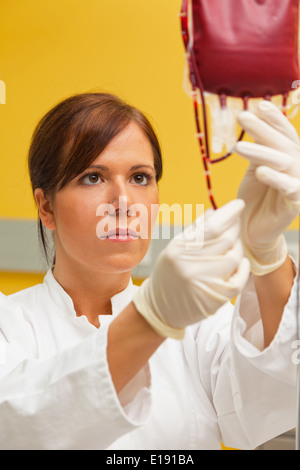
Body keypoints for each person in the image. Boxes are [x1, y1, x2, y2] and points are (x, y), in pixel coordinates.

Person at [0, 93, 298, 450]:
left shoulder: (199, 323)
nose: (123, 202)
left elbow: (270, 399)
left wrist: (266, 253)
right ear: (46, 206)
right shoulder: (10, 325)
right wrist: (152, 319)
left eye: (140, 177)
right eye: (93, 177)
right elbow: (18, 426)